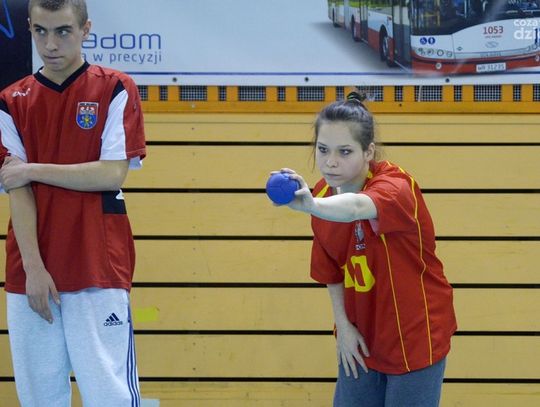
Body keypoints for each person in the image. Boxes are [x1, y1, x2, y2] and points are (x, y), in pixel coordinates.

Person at [0, 0, 146, 406]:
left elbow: (110, 174)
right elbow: (16, 188)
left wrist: (33, 169)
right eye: (41, 31)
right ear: (30, 28)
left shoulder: (115, 88)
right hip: (30, 271)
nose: (51, 44)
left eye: (63, 31)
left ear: (85, 29)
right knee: (39, 398)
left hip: (97, 264)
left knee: (110, 395)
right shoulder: (11, 100)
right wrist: (34, 269)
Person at [273, 92, 457, 406]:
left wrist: (313, 206)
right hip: (361, 336)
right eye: (323, 149)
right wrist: (343, 327)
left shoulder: (397, 187)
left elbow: (357, 207)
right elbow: (332, 272)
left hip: (414, 334)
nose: (331, 161)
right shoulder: (322, 196)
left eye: (345, 151)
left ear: (368, 151)